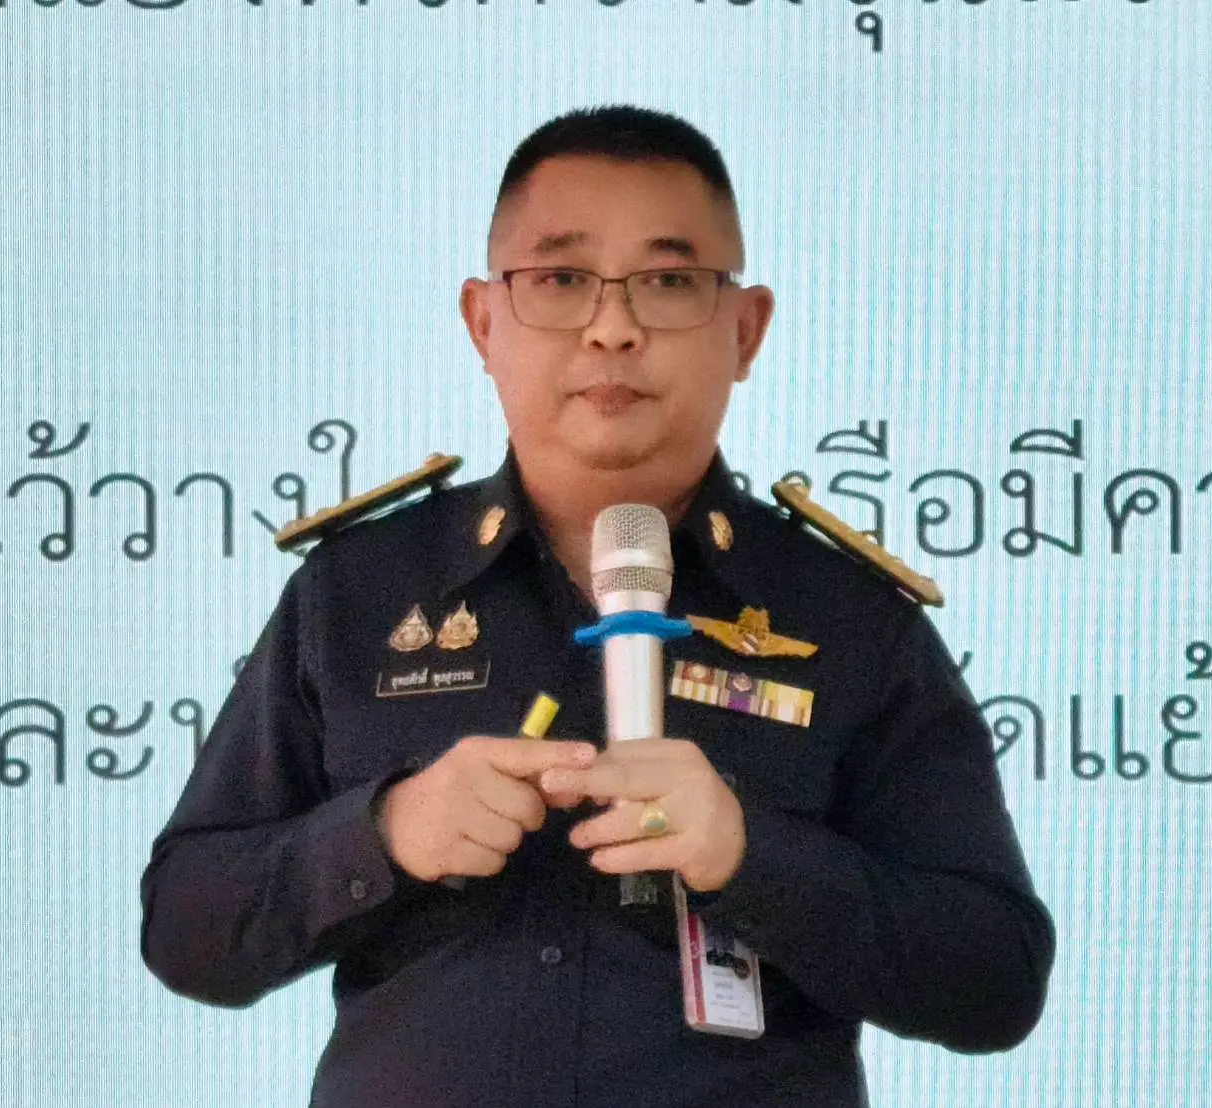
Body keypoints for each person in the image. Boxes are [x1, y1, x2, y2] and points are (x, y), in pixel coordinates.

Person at [140, 105, 1055, 1107]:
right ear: (483, 323)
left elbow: (994, 979)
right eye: (560, 278)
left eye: (667, 282)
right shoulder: (358, 590)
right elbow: (187, 929)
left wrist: (754, 856)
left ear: (745, 330)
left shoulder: (847, 617)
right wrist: (385, 835)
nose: (612, 326)